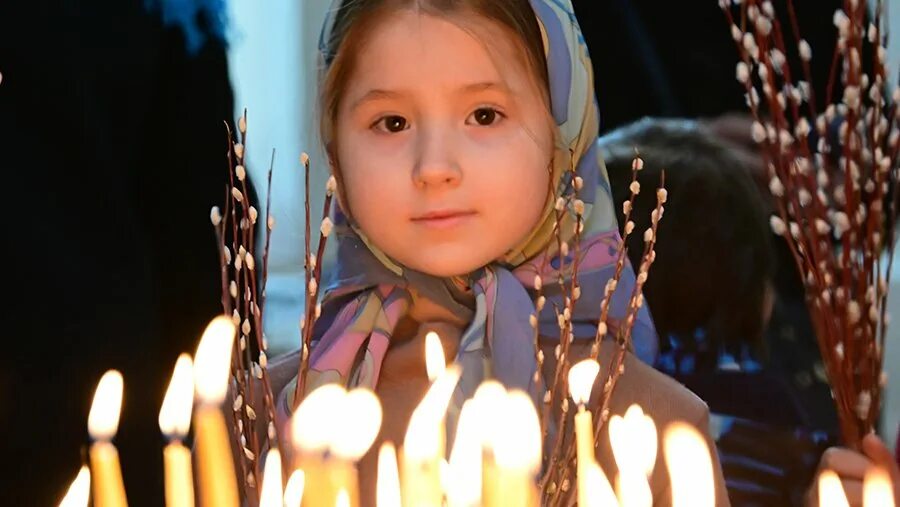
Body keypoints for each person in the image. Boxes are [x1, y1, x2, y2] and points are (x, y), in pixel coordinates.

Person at [248, 0, 731, 505]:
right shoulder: (265, 414)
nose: (434, 167)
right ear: (335, 148)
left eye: (484, 115)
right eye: (392, 123)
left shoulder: (650, 425)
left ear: (564, 134)